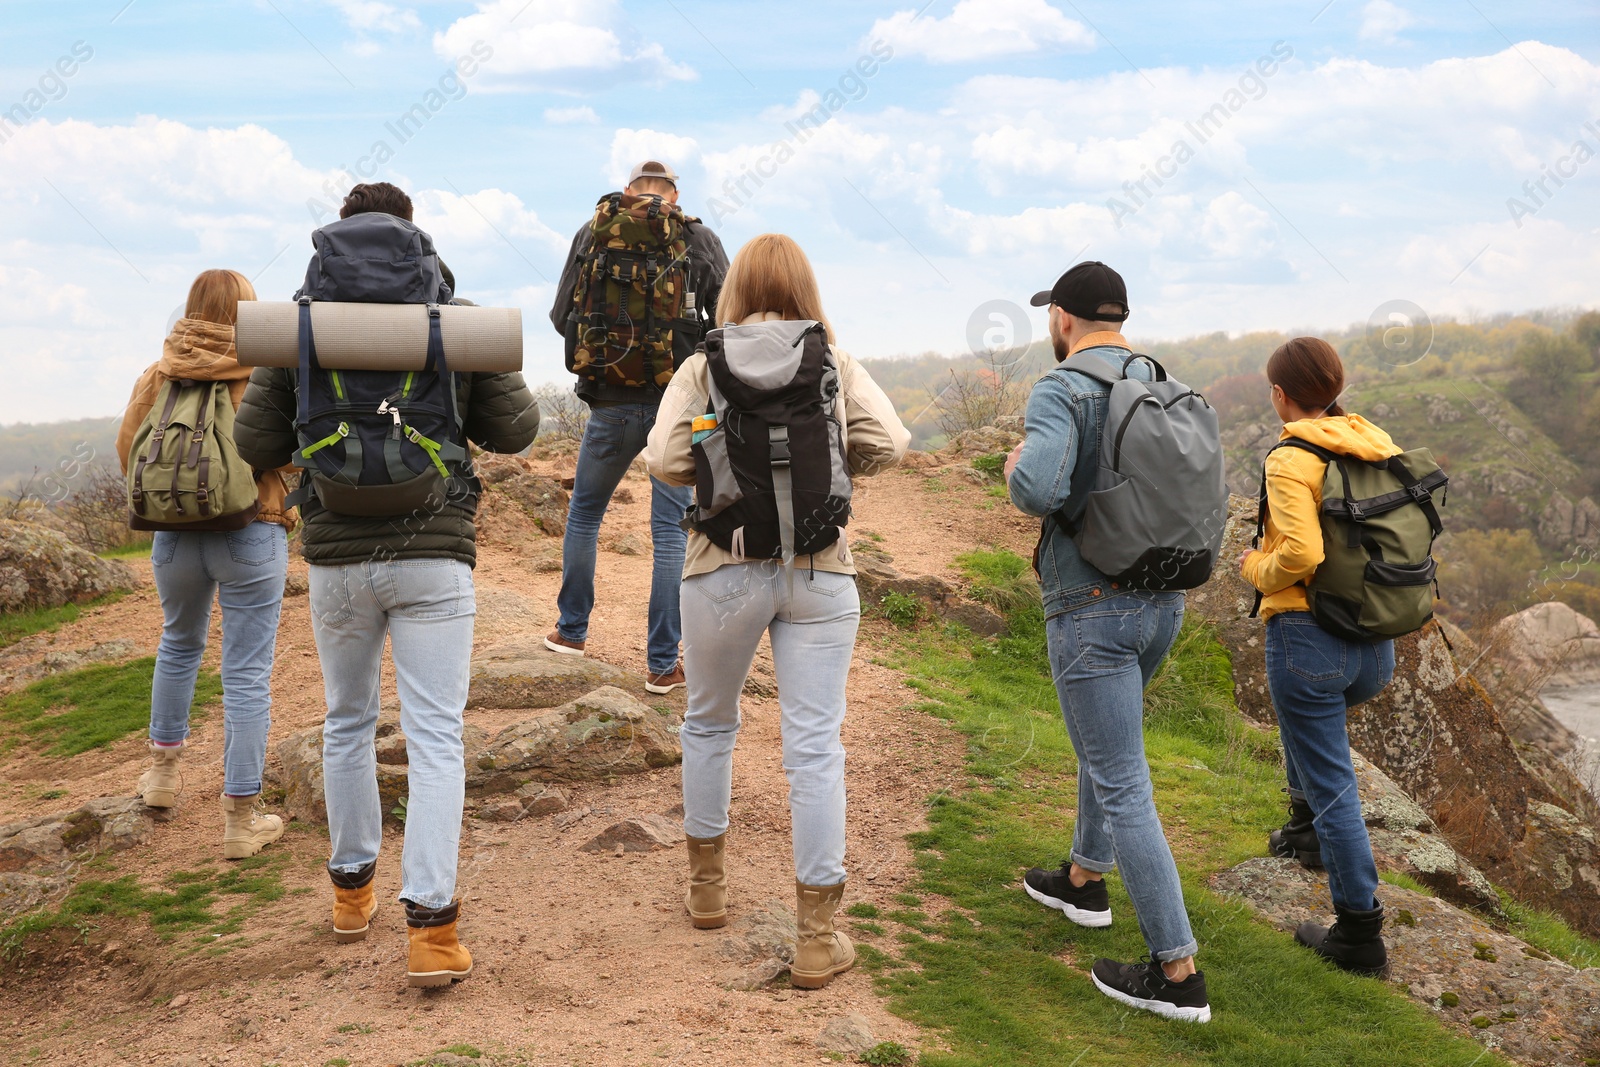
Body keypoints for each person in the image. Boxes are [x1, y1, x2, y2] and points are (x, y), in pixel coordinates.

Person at [235, 182, 540, 987]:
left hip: (337, 557)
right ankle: (433, 933)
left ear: (336, 240)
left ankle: (350, 894)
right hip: (435, 552)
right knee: (436, 734)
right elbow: (516, 430)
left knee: (346, 721)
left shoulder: (301, 322)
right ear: (415, 239)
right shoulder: (453, 314)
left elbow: (254, 437)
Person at [645, 233, 909, 990]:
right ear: (804, 286)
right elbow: (890, 440)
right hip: (822, 571)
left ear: (735, 288)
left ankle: (707, 893)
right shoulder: (833, 359)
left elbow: (662, 459)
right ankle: (818, 938)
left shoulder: (705, 364)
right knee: (815, 748)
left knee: (708, 723)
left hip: (721, 567)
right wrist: (827, 464)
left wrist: (718, 458)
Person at [1005, 262, 1210, 1023]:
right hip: (1164, 603)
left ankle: (1176, 971)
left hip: (1092, 603)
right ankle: (1085, 881)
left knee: (1123, 778)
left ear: (1062, 318)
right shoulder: (1161, 380)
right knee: (1111, 748)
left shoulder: (1062, 387)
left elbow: (1040, 489)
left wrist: (1011, 466)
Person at [116, 269, 295, 860]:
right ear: (249, 310)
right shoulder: (266, 372)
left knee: (178, 645)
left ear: (190, 309)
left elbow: (128, 450)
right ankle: (241, 821)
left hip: (172, 535)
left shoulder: (160, 371)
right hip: (252, 531)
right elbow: (295, 453)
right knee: (246, 672)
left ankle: (163, 778)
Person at [1240, 336, 1397, 976]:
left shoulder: (1290, 456)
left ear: (1280, 395)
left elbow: (1300, 554)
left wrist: (1255, 567)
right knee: (1311, 739)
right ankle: (1302, 831)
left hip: (1309, 635)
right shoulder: (1372, 439)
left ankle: (1359, 933)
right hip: (1375, 642)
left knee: (1335, 786)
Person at [545, 160, 730, 694]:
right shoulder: (699, 238)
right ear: (674, 194)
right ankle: (661, 663)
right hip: (680, 404)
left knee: (584, 514)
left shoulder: (594, 231)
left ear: (628, 192)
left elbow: (562, 315)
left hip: (608, 403)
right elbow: (727, 320)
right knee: (670, 534)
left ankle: (571, 631)